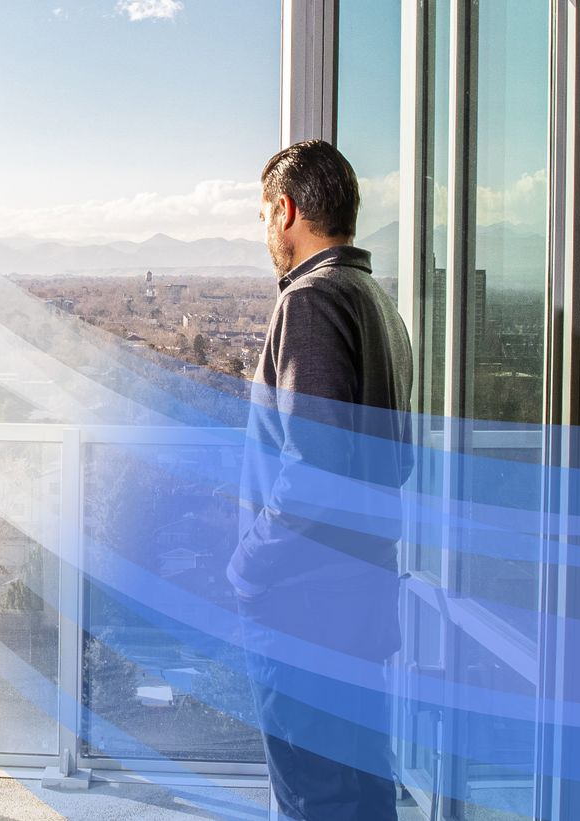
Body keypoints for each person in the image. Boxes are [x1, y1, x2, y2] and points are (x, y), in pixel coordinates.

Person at [225, 140, 415, 821]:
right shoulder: (377, 304)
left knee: (314, 799)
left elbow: (313, 468)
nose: (265, 233)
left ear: (287, 209)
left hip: (308, 606)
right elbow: (397, 459)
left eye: (263, 216)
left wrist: (249, 563)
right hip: (362, 600)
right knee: (362, 794)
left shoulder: (310, 301)